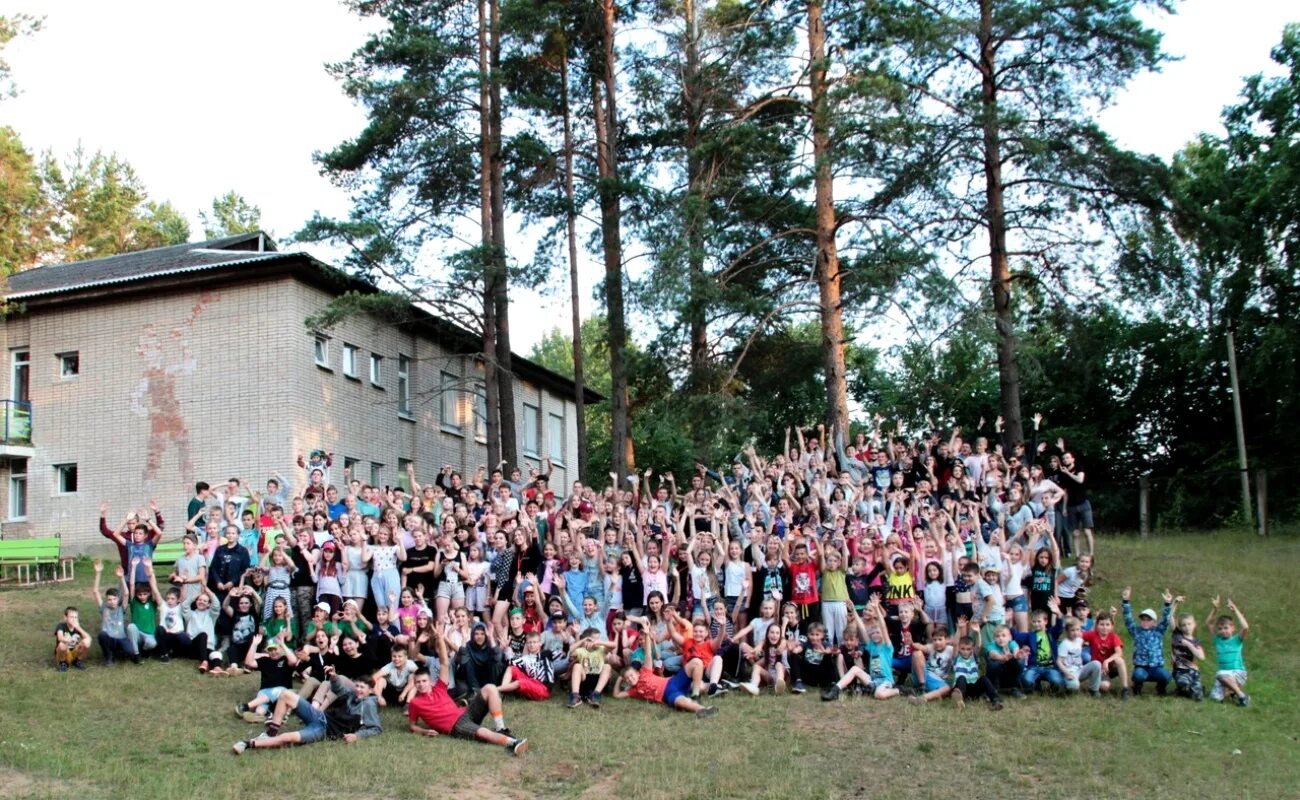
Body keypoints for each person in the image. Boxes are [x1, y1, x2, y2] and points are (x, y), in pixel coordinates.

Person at [406, 627, 528, 755]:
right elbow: (412, 726)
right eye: (418, 682)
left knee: (490, 688)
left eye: (424, 681)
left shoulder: (439, 688)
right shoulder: (415, 703)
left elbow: (444, 663)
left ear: (430, 681)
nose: (421, 685)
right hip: (455, 726)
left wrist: (440, 638)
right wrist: (424, 731)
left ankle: (501, 728)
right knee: (482, 732)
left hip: (465, 713)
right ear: (414, 684)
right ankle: (512, 743)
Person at [232, 672, 380, 753]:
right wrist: (333, 676)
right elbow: (340, 689)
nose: (359, 690)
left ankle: (248, 744)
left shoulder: (369, 705)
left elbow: (375, 728)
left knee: (288, 737)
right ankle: (270, 733)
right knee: (285, 695)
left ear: (371, 690)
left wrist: (357, 735)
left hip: (323, 730)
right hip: (320, 716)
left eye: (363, 688)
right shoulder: (353, 695)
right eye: (358, 686)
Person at [612, 660, 718, 718]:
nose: (630, 679)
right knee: (682, 702)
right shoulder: (633, 691)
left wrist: (648, 634)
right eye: (627, 679)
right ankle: (703, 709)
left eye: (631, 675)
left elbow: (648, 653)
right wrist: (620, 678)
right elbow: (616, 695)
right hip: (667, 694)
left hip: (672, 681)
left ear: (638, 673)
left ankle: (696, 695)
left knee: (696, 662)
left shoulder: (645, 672)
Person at [1122, 587, 1175, 696]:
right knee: (1138, 675)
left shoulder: (1158, 631)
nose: (1145, 622)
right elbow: (1128, 619)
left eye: (1148, 619)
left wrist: (1167, 603)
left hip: (1156, 667)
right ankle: (1137, 686)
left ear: (1154, 622)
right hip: (1141, 666)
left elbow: (1165, 619)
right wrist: (1126, 602)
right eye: (1143, 619)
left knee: (1167, 676)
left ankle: (1160, 688)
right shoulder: (1136, 631)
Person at [1207, 596, 1250, 707]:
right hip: (1225, 674)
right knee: (1215, 698)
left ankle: (1241, 695)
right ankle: (1233, 692)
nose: (1223, 631)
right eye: (1220, 629)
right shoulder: (1217, 640)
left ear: (1232, 628)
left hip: (1238, 672)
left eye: (1226, 628)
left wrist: (1235, 610)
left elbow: (1245, 627)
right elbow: (1209, 624)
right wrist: (1215, 609)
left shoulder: (1237, 640)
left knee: (1220, 675)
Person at [91, 560, 135, 665]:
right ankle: (108, 656)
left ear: (117, 599)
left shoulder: (121, 608)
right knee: (102, 635)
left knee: (130, 651)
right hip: (109, 638)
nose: (112, 602)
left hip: (120, 638)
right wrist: (98, 573)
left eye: (114, 599)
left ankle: (117, 652)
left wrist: (121, 578)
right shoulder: (104, 608)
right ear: (106, 600)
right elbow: (95, 591)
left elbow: (126, 594)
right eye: (109, 599)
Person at [1082, 610, 1129, 700]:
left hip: (1110, 666)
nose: (1104, 627)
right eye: (1102, 624)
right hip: (1098, 668)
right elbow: (1077, 636)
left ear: (1112, 626)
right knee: (1104, 687)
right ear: (1097, 625)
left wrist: (1107, 661)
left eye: (1107, 624)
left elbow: (1119, 652)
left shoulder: (1113, 636)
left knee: (1120, 660)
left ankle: (1125, 689)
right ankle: (1095, 685)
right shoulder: (1092, 635)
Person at [1171, 611, 1205, 701]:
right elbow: (1170, 617)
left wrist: (1189, 644)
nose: (1187, 627)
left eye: (1189, 624)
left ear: (1194, 624)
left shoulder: (1196, 642)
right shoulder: (1177, 636)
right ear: (1180, 627)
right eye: (1184, 625)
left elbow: (1201, 657)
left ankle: (1193, 690)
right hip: (1180, 671)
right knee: (1183, 682)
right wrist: (1174, 603)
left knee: (1198, 698)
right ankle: (1182, 688)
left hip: (1194, 672)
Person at [54, 605, 91, 672]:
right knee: (62, 645)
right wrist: (69, 640)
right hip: (64, 653)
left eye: (75, 617)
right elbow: (60, 637)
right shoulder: (61, 626)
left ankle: (77, 661)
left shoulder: (77, 628)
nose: (74, 619)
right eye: (71, 617)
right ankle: (63, 663)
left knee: (86, 642)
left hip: (74, 652)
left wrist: (78, 627)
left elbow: (89, 638)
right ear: (65, 618)